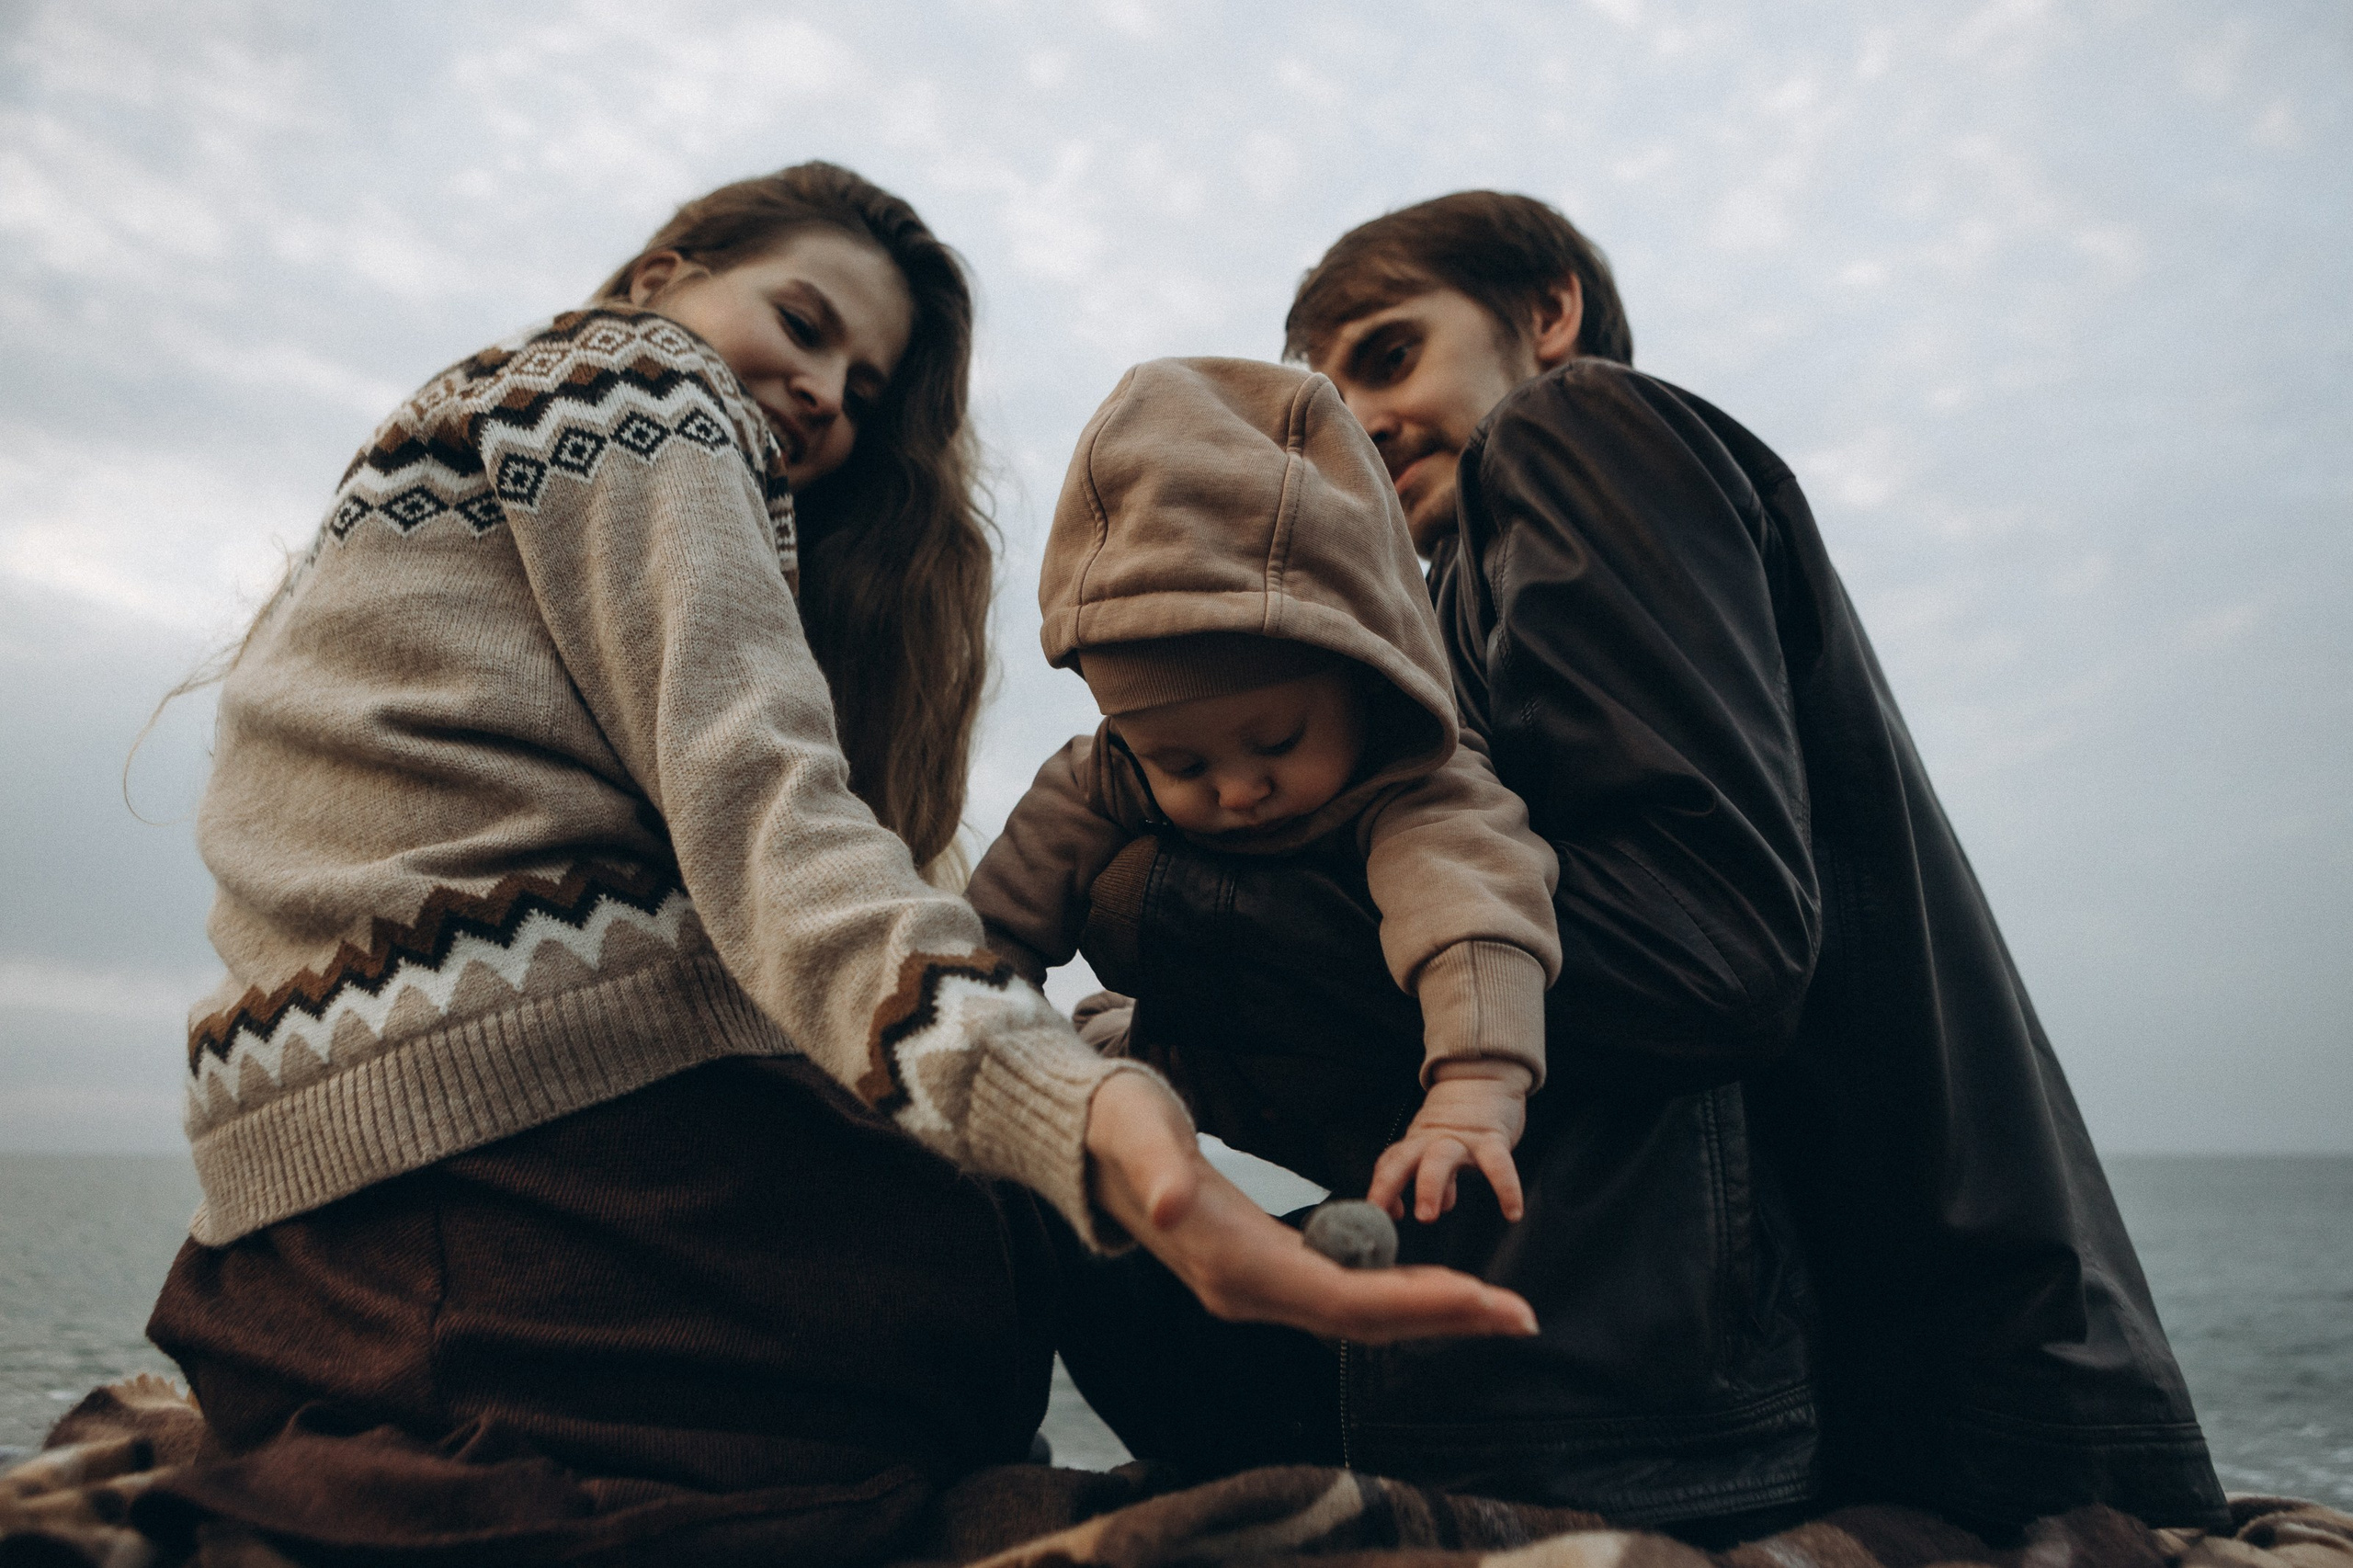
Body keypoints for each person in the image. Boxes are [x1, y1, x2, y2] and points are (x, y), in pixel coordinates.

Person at [135, 165, 1531, 1561]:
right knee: (1027, 1202)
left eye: (865, 390)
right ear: (664, 274)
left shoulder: (458, 477)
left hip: (299, 1247)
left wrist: (1103, 1051)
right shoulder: (621, 382)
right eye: (804, 323)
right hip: (521, 1195)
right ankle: (1425, 1367)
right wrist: (1091, 1110)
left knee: (1006, 1155)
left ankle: (1356, 1328)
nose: (824, 393)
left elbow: (840, 909)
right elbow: (770, 823)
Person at [1076, 190, 2227, 1541]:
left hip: (1856, 1386)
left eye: (1390, 355)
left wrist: (1183, 914)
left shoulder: (1575, 432)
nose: (1364, 423)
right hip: (1842, 1363)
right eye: (1328, 399)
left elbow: (1704, 950)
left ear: (1550, 312)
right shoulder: (1436, 628)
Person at [967, 357, 1560, 1227]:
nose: (1238, 788)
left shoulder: (1415, 781)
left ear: (1363, 678)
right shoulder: (1109, 771)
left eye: (1277, 740)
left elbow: (1473, 912)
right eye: (1182, 765)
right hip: (1204, 1051)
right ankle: (1113, 1040)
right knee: (1116, 1049)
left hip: (1367, 1076)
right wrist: (978, 1002)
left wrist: (1475, 1087)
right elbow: (999, 918)